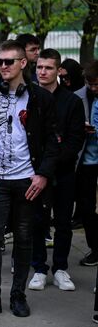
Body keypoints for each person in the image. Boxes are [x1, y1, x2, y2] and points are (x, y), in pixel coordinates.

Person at [0, 40, 59, 320]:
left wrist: (43, 174)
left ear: (23, 63)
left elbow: (52, 142)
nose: (2, 66)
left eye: (9, 61)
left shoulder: (41, 98)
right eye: (0, 61)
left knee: (24, 238)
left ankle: (18, 295)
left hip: (27, 181)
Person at [27, 49, 85, 292]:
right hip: (32, 171)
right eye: (39, 67)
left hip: (62, 172)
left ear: (58, 70)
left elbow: (75, 141)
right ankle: (39, 268)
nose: (42, 72)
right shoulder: (28, 97)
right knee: (36, 221)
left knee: (62, 222)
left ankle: (60, 268)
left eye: (48, 68)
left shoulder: (72, 101)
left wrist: (49, 168)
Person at [74, 60, 98, 266]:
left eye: (97, 84)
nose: (93, 88)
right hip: (87, 161)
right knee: (87, 208)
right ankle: (94, 248)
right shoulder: (79, 97)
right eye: (90, 84)